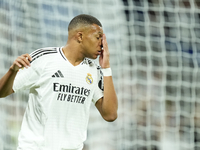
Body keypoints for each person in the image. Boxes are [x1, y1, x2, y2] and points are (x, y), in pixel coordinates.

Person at [0, 14, 118, 150]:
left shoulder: (94, 71)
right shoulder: (44, 59)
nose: (102, 45)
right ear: (80, 36)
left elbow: (110, 115)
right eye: (98, 37)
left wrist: (106, 68)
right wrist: (12, 71)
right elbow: (2, 92)